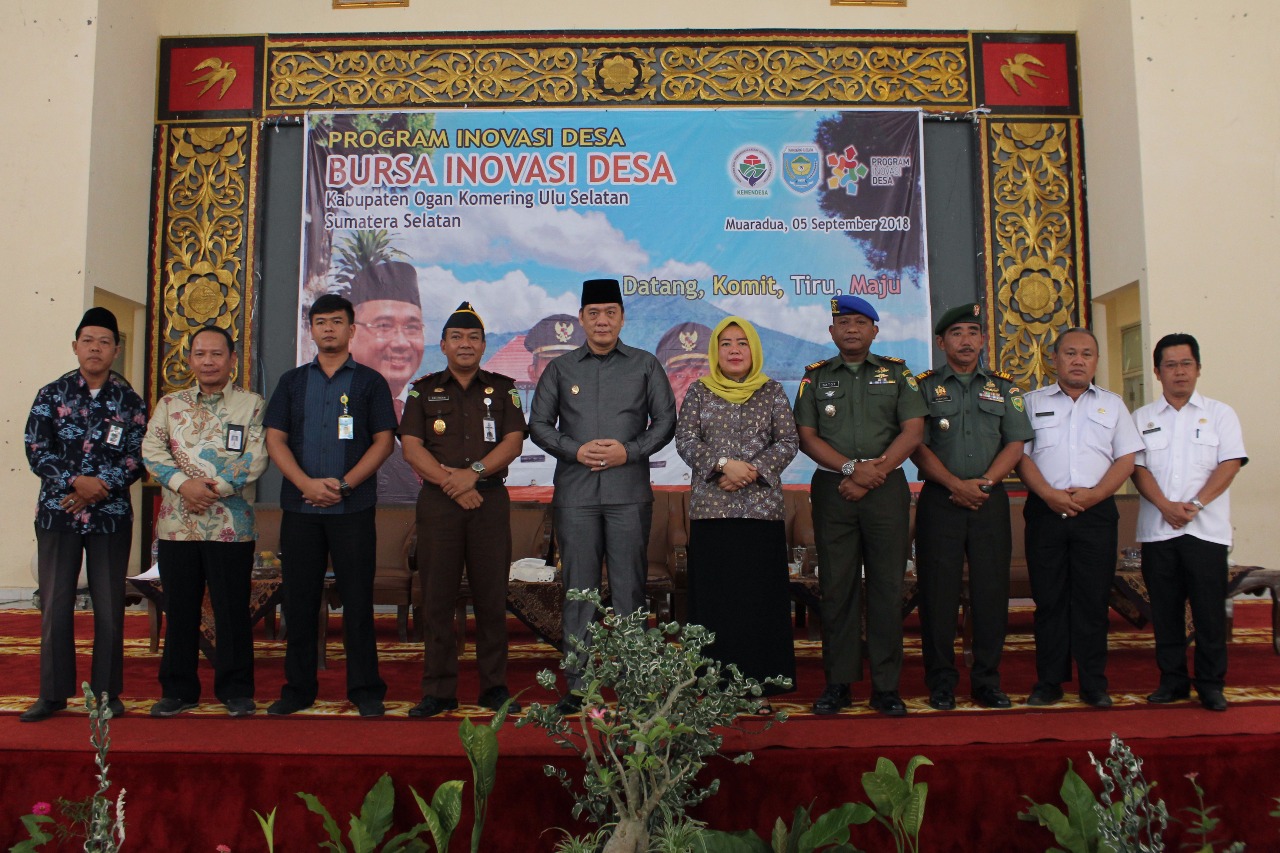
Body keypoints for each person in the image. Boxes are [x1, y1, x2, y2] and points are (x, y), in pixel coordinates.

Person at [528, 278, 677, 713]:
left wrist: (628, 451)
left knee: (630, 589)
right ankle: (579, 687)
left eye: (610, 312)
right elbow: (539, 425)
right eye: (593, 313)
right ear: (581, 319)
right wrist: (575, 449)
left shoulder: (645, 365)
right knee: (579, 591)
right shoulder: (561, 369)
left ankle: (636, 687)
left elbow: (665, 421)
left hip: (628, 493)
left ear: (622, 318)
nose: (602, 321)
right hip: (575, 496)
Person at [264, 293, 396, 717]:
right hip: (300, 508)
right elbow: (275, 439)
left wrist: (344, 484)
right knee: (299, 602)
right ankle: (298, 689)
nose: (328, 329)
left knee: (358, 602)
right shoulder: (291, 382)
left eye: (336, 322)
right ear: (312, 330)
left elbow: (384, 441)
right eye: (320, 322)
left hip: (352, 509)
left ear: (351, 329)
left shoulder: (371, 383)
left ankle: (366, 690)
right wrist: (305, 483)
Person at [794, 295, 926, 716]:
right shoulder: (815, 378)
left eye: (860, 322)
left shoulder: (898, 374)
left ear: (875, 330)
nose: (851, 329)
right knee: (837, 588)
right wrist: (852, 470)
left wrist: (874, 472)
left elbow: (913, 430)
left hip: (886, 489)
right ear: (831, 332)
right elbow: (807, 437)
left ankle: (886, 687)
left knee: (888, 588)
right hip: (834, 489)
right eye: (843, 322)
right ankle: (839, 684)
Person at [399, 302, 527, 717]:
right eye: (456, 337)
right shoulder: (422, 391)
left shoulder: (504, 389)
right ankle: (438, 691)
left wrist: (472, 474)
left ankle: (494, 688)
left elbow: (513, 442)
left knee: (491, 598)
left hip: (489, 501)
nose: (465, 344)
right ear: (443, 345)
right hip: (439, 504)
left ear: (484, 345)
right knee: (436, 599)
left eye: (473, 337)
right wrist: (451, 484)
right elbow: (411, 447)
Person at [22, 307, 147, 722]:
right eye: (88, 341)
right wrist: (77, 483)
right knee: (55, 604)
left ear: (116, 350)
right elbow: (37, 450)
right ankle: (52, 694)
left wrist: (99, 487)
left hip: (110, 517)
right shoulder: (50, 395)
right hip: (58, 514)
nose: (95, 348)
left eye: (104, 342)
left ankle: (108, 694)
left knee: (110, 607)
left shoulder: (130, 402)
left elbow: (139, 456)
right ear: (75, 346)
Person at [910, 304, 1033, 711]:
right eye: (956, 332)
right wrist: (953, 484)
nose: (966, 340)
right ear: (941, 342)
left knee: (991, 594)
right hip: (940, 500)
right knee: (937, 595)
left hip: (988, 500)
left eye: (973, 332)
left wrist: (984, 483)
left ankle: (986, 681)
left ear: (983, 340)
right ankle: (941, 683)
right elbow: (916, 445)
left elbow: (1014, 444)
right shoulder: (922, 388)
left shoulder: (1005, 389)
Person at [142, 325, 268, 717]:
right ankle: (178, 691)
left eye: (216, 354)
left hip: (231, 527)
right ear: (190, 359)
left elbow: (257, 455)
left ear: (232, 359)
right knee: (180, 611)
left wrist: (211, 490)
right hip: (178, 527)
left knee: (232, 611)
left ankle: (236, 690)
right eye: (200, 354)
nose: (208, 361)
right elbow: (151, 449)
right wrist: (184, 485)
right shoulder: (170, 404)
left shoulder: (252, 404)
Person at [675, 316, 798, 714]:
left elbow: (788, 440)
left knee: (758, 601)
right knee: (717, 601)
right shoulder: (699, 391)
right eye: (726, 343)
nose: (733, 350)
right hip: (712, 513)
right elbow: (685, 440)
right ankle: (713, 689)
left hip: (761, 513)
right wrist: (723, 465)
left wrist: (753, 470)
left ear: (753, 350)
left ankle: (758, 686)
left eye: (742, 343)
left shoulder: (772, 390)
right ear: (715, 351)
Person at [1017, 327, 1143, 708]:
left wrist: (1096, 494)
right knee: (1049, 600)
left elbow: (1126, 458)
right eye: (1070, 353)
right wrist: (1048, 494)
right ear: (1054, 358)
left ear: (1096, 361)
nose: (1078, 361)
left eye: (1086, 354)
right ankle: (1049, 682)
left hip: (1096, 513)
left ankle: (1093, 684)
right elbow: (1020, 456)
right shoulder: (1031, 403)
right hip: (1046, 511)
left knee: (1092, 600)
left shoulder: (1113, 406)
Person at [1130, 333, 1246, 712]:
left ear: (1198, 368)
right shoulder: (1141, 419)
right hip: (1158, 530)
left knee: (1209, 612)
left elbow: (1230, 464)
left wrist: (1194, 505)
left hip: (1206, 531)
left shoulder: (1220, 414)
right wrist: (1165, 506)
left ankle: (1211, 684)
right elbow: (1138, 468)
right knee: (1165, 612)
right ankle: (1172, 681)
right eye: (1170, 365)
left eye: (1186, 364)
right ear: (1157, 372)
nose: (1179, 372)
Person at [349, 260, 425, 504]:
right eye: (384, 326)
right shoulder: (335, 402)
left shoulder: (429, 403)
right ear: (351, 335)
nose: (401, 343)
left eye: (412, 327)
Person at [505, 314, 586, 487]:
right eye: (550, 363)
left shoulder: (605, 425)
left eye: (570, 362)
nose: (561, 371)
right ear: (532, 372)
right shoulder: (515, 431)